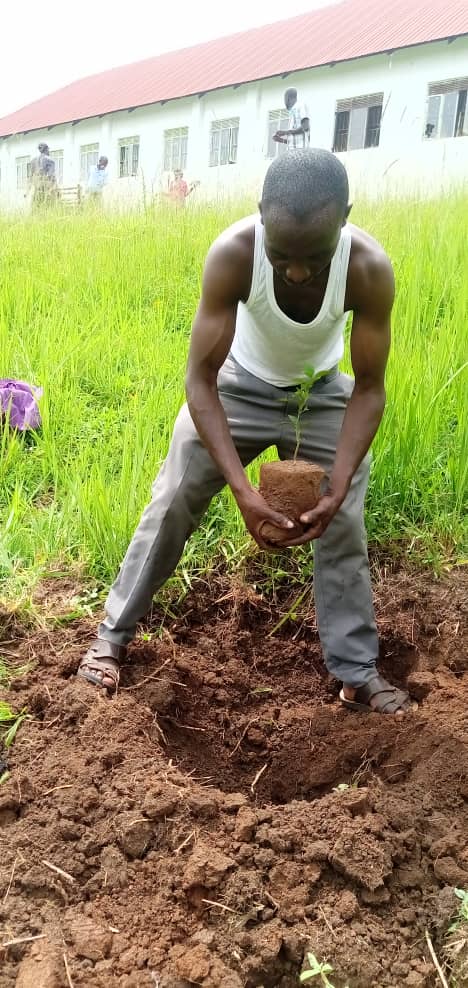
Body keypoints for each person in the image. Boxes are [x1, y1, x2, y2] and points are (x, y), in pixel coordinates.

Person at [77, 148, 414, 716]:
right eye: (282, 255)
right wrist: (241, 490)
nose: (298, 271)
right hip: (236, 388)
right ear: (260, 215)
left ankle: (356, 672)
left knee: (344, 520)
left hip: (321, 393)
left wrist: (337, 486)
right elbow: (200, 380)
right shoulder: (234, 254)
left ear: (345, 219)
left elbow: (369, 388)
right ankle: (110, 638)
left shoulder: (367, 269)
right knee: (175, 494)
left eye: (315, 256)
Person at [29, 142, 57, 209]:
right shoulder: (50, 160)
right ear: (46, 149)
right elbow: (51, 176)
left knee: (35, 209)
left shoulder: (33, 161)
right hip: (46, 190)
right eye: (48, 149)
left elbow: (30, 177)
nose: (49, 151)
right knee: (48, 209)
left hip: (36, 190)